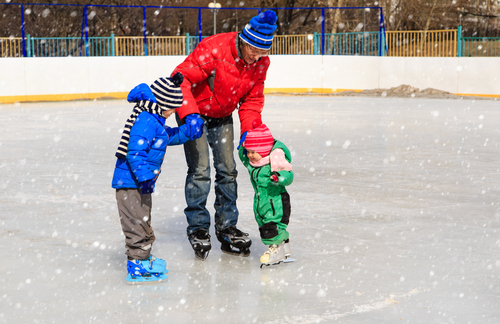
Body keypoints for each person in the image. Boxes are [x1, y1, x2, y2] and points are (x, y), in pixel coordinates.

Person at [170, 10, 279, 260]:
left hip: (222, 115)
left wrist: (250, 131)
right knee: (200, 170)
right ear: (243, 40)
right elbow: (181, 78)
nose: (256, 56)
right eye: (253, 49)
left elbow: (252, 99)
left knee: (228, 170)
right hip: (194, 113)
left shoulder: (261, 63)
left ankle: (227, 225)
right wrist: (189, 115)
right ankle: (198, 227)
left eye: (263, 52)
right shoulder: (214, 49)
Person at [112, 73, 200, 284]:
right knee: (136, 223)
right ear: (162, 104)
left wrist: (188, 131)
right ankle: (137, 265)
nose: (172, 113)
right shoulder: (146, 121)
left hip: (139, 183)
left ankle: (143, 258)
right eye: (171, 108)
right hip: (132, 183)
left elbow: (166, 136)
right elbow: (134, 151)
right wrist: (145, 178)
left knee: (142, 220)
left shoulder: (154, 120)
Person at [238, 119, 294, 267]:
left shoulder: (274, 161)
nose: (249, 155)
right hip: (261, 201)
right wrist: (242, 147)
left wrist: (279, 177)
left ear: (263, 151)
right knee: (263, 223)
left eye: (253, 152)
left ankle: (276, 249)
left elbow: (289, 176)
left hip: (276, 201)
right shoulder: (254, 164)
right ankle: (284, 244)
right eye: (248, 151)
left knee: (271, 227)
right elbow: (243, 157)